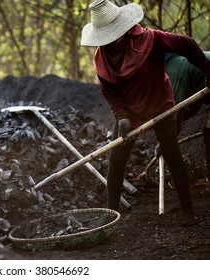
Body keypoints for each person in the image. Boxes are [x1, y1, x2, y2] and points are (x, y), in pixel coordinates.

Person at [80, 0, 210, 226]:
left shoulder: (151, 39)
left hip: (160, 103)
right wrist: (121, 116)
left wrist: (208, 71)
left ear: (123, 29)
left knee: (172, 154)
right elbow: (110, 91)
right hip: (129, 111)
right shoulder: (101, 60)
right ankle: (111, 216)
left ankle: (188, 212)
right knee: (117, 160)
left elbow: (188, 44)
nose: (110, 42)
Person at [166, 52, 210, 181]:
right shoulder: (179, 62)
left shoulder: (173, 69)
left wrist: (166, 142)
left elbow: (176, 111)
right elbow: (193, 105)